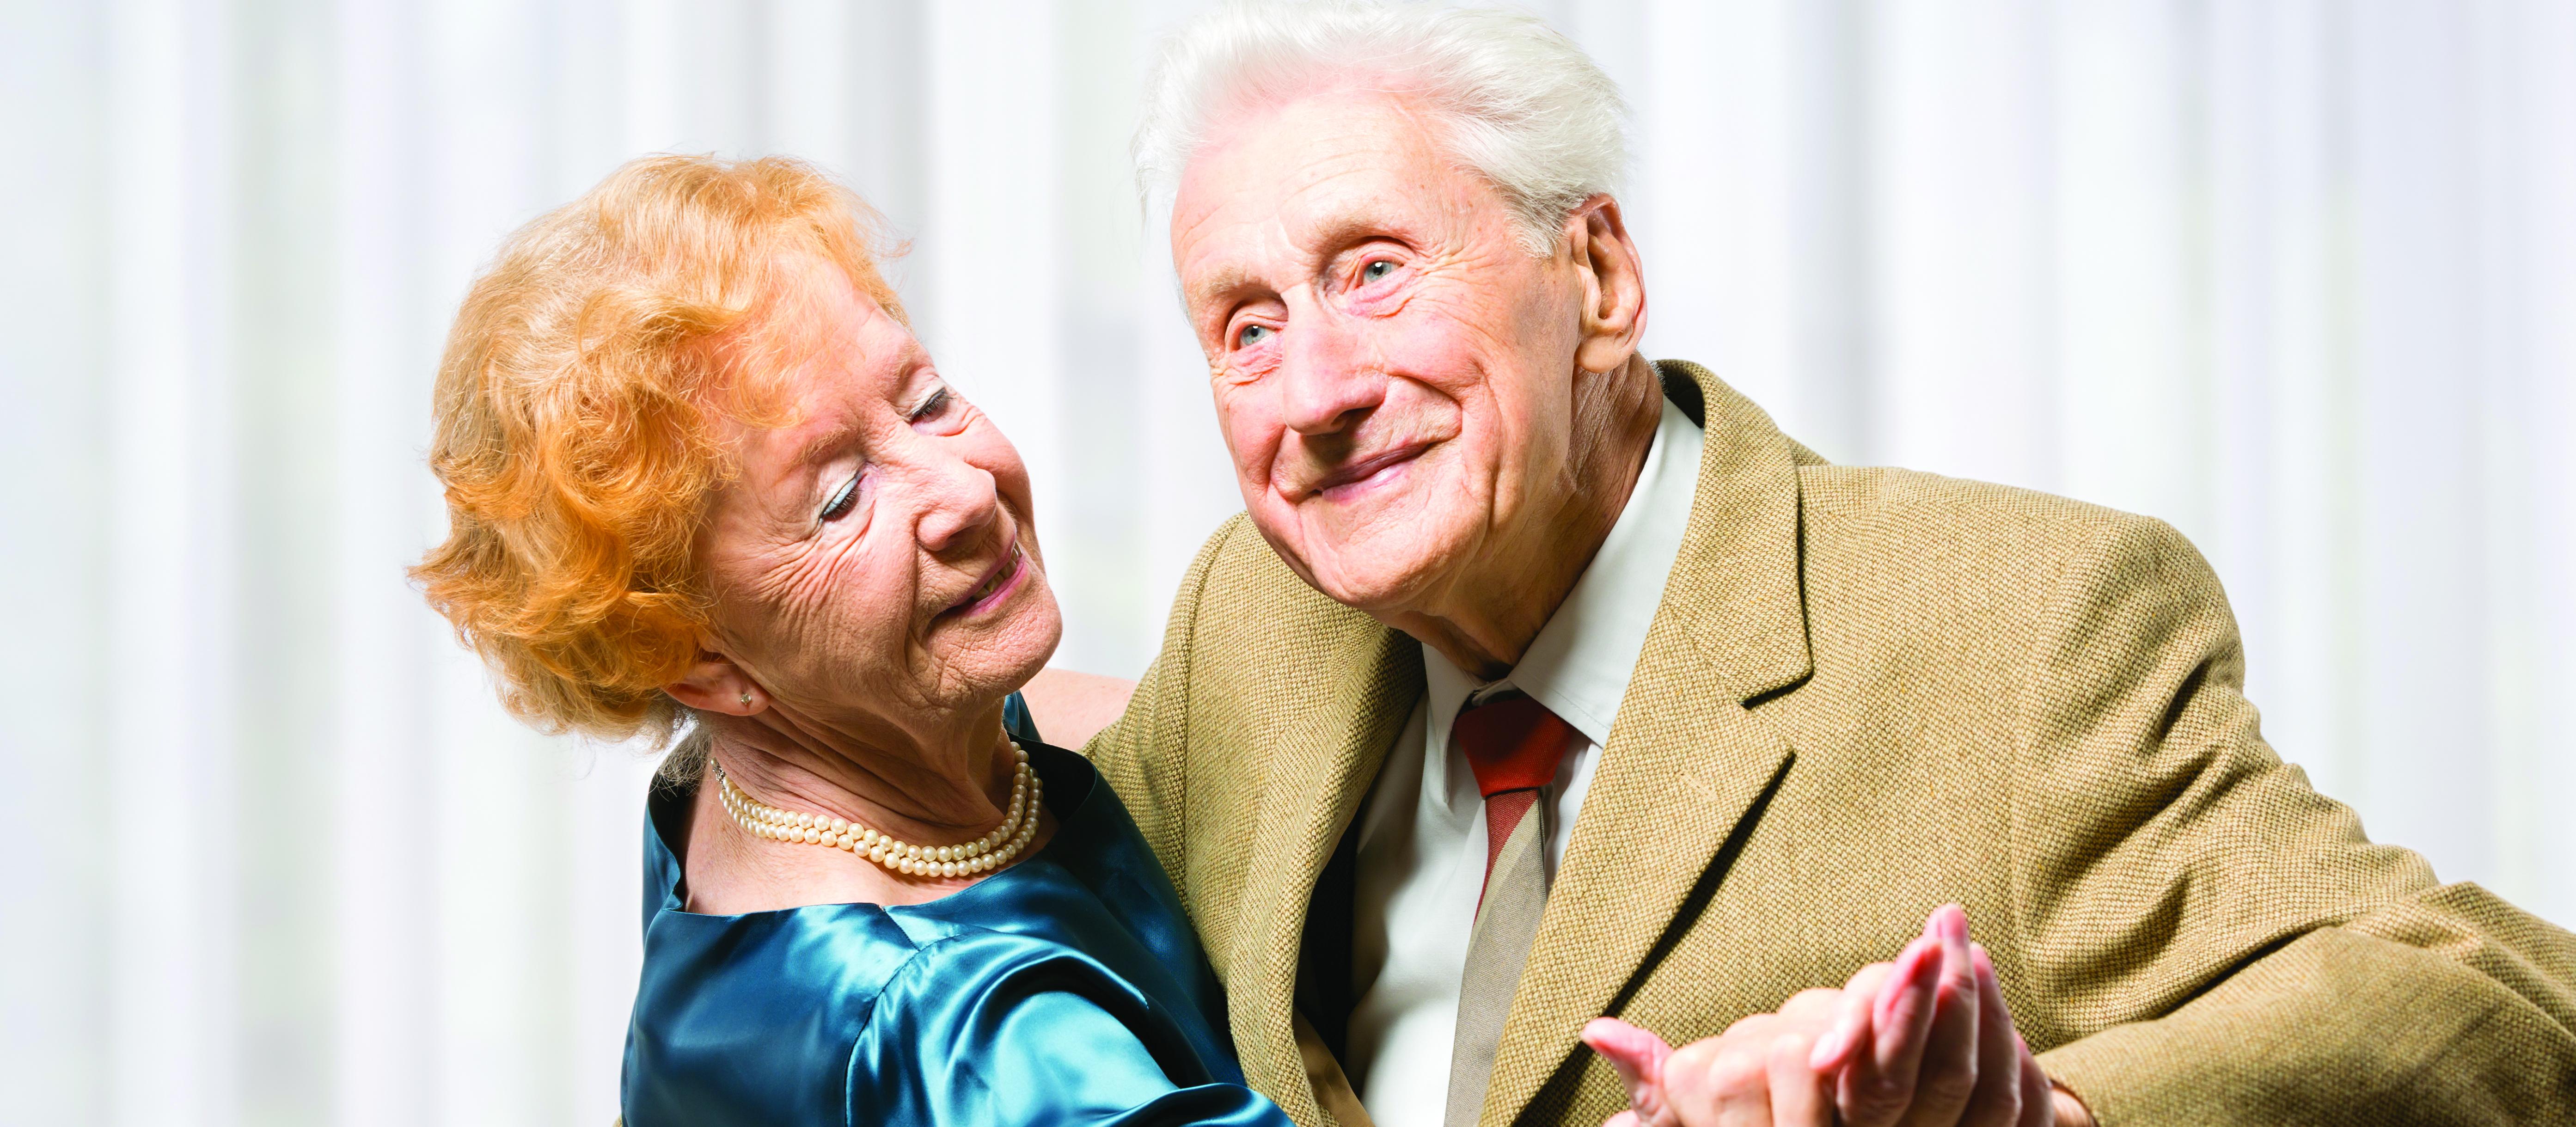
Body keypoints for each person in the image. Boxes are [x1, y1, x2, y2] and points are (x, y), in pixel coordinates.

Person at [1088, 4, 2576, 1127]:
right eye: (1246, 327)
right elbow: (1021, 870)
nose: (1312, 393)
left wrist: (2039, 1110)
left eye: (1374, 270)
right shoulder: (1253, 620)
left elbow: (2497, 1004)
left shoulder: (2017, 631)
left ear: (1597, 279)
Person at [411, 154, 1288, 1127]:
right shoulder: (970, 1040)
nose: (962, 492)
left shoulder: (733, 778)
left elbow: (1053, 728)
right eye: (838, 500)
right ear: (695, 657)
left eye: (924, 401)